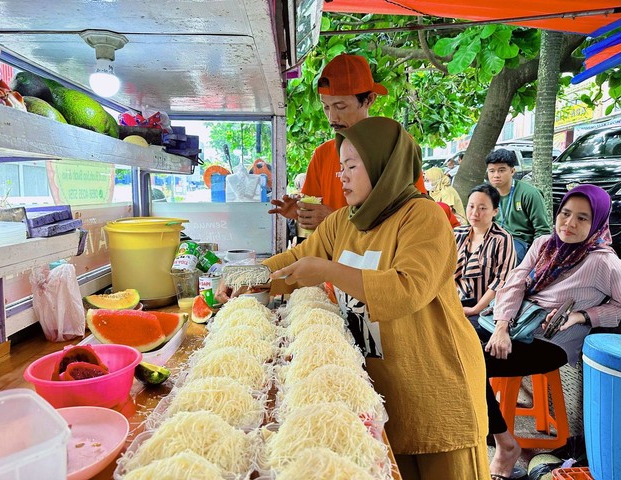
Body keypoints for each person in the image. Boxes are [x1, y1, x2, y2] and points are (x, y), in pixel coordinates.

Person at [219, 117, 490, 479]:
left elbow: (406, 288)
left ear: (384, 165)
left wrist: (328, 271)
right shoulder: (345, 220)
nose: (340, 176)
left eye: (351, 166)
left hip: (433, 386)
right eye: (339, 167)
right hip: (379, 385)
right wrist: (245, 275)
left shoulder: (423, 217)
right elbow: (298, 261)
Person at [482, 184, 621, 480]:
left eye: (583, 218)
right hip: (515, 326)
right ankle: (485, 428)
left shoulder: (603, 261)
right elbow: (514, 284)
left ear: (597, 222)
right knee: (452, 344)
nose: (569, 223)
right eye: (565, 213)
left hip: (552, 342)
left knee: (470, 364)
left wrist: (584, 315)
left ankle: (505, 445)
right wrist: (503, 327)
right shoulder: (544, 244)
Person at [268, 53, 425, 231]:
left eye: (340, 106)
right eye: (326, 107)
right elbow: (316, 224)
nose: (332, 118)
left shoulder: (396, 146)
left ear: (369, 100)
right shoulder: (323, 154)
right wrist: (303, 213)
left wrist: (333, 219)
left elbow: (412, 218)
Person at [454, 184, 516, 324]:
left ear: (495, 211)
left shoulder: (502, 239)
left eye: (482, 208)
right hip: (453, 303)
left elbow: (501, 281)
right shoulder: (457, 234)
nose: (475, 213)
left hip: (484, 310)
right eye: (471, 206)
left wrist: (475, 309)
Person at [485, 149, 552, 264]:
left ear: (512, 171)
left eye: (501, 170)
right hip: (495, 239)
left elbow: (543, 231)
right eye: (492, 171)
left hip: (520, 242)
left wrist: (534, 257)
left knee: (503, 260)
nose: (496, 175)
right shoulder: (487, 194)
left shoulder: (529, 194)